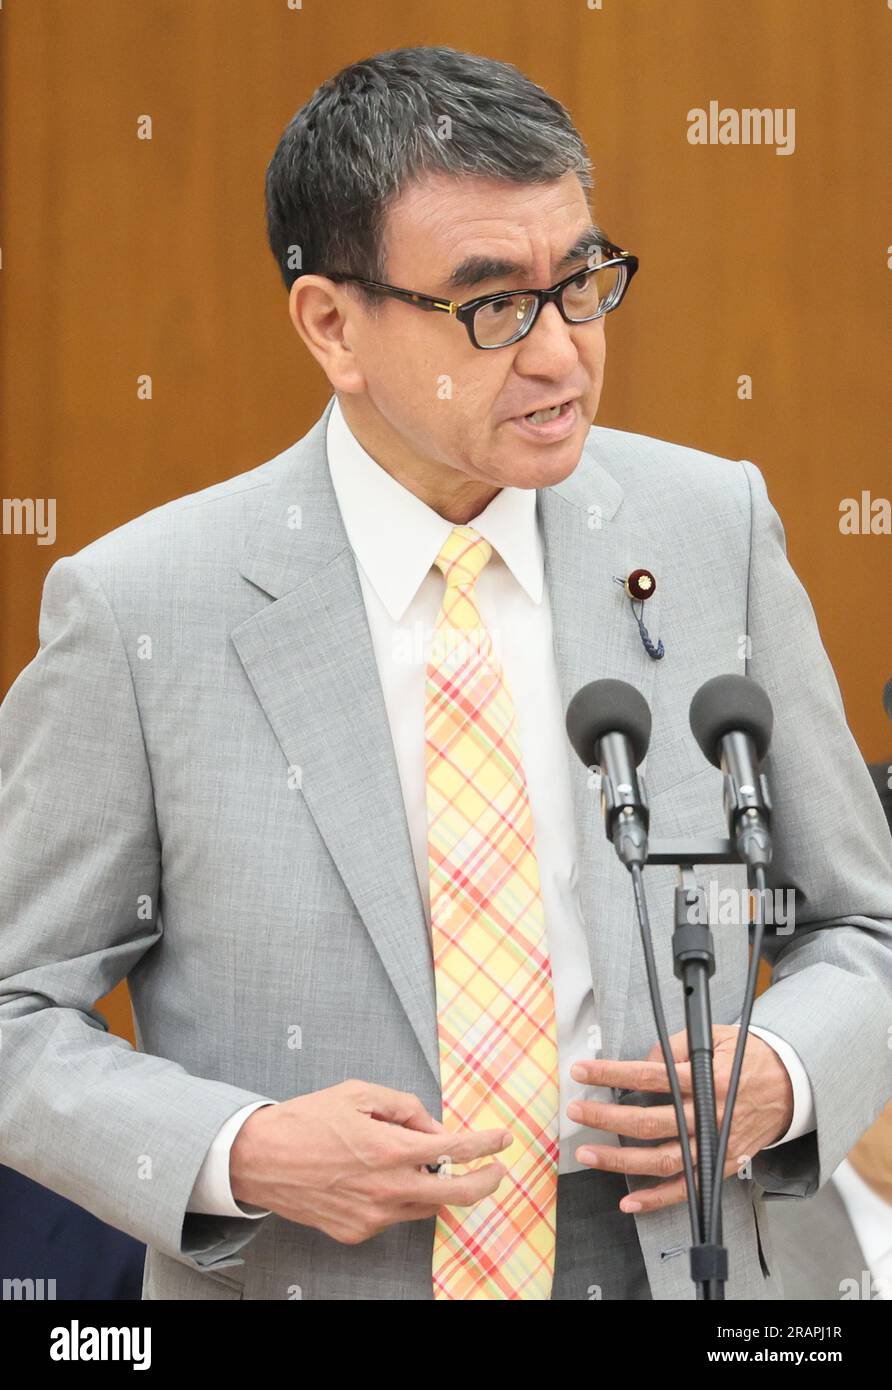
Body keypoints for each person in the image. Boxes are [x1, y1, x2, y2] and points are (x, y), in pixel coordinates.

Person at [1, 45, 891, 1302]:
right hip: (316, 1270)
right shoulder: (143, 607)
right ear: (331, 326)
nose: (560, 356)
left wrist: (784, 1075)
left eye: (579, 282)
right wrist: (238, 1151)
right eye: (492, 305)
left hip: (689, 1264)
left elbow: (864, 920)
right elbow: (11, 1005)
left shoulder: (714, 530)